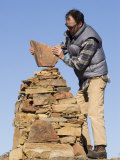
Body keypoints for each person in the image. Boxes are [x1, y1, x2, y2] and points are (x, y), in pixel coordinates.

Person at [29, 9, 110, 159]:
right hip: (84, 81)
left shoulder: (90, 39)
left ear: (80, 24)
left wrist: (62, 57)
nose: (68, 29)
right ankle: (87, 147)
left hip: (97, 77)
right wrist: (38, 52)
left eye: (71, 26)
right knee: (80, 113)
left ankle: (101, 149)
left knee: (94, 112)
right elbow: (56, 51)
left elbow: (79, 64)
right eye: (67, 25)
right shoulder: (70, 36)